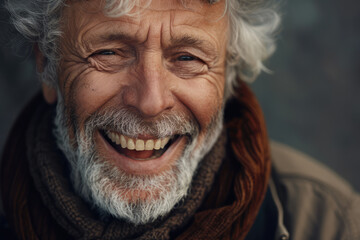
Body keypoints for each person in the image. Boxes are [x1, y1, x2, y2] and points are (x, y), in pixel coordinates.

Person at [1, 0, 359, 239]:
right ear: (46, 62)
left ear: (230, 74)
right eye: (108, 52)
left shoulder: (330, 222)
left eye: (187, 58)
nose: (151, 102)